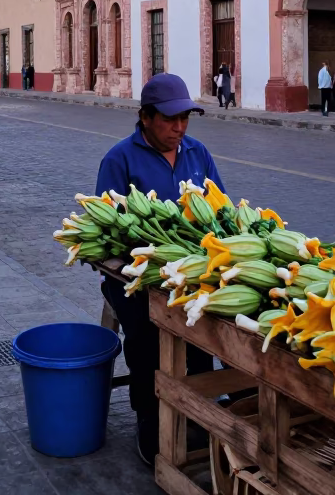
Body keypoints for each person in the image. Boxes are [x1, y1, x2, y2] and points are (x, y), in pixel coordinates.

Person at [95, 73, 222, 465]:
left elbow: (219, 208)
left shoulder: (197, 152)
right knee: (148, 333)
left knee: (211, 328)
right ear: (145, 117)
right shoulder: (120, 159)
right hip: (135, 277)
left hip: (192, 271)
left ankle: (201, 404)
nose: (179, 128)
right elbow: (105, 231)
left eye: (185, 118)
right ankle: (149, 414)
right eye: (170, 119)